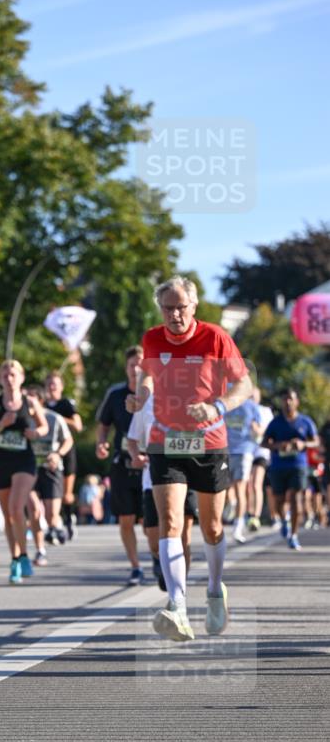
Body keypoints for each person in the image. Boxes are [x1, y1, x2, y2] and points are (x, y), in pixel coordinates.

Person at [128, 275, 253, 642]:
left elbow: (243, 385)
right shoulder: (152, 338)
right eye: (168, 308)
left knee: (212, 528)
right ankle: (177, 605)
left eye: (181, 307)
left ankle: (215, 589)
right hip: (165, 439)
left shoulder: (215, 337)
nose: (175, 315)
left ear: (193, 306)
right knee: (170, 522)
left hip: (209, 442)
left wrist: (217, 406)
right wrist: (140, 397)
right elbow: (147, 376)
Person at [0, 359, 48, 584]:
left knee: (16, 507)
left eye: (13, 374)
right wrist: (2, 424)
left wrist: (35, 433)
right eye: (5, 375)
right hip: (2, 461)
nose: (9, 379)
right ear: (0, 379)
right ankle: (16, 558)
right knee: (8, 516)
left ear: (21, 378)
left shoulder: (29, 401)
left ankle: (24, 556)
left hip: (24, 461)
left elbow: (44, 427)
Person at [126, 393, 197, 591]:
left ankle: (179, 591)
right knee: (155, 539)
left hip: (188, 475)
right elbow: (132, 439)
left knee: (184, 535)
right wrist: (136, 456)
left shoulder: (193, 397)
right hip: (154, 477)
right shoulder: (146, 401)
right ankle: (161, 559)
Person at [95, 345, 145, 585]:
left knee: (150, 522)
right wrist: (101, 443)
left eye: (140, 363)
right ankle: (135, 566)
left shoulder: (158, 393)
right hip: (122, 463)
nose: (136, 368)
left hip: (150, 463)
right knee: (126, 518)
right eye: (131, 364)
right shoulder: (115, 394)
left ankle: (158, 558)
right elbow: (103, 424)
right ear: (126, 368)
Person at [263, 387, 319, 550]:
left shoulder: (305, 421)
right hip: (278, 466)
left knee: (296, 500)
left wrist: (303, 444)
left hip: (298, 466)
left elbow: (315, 442)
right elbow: (264, 442)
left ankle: (293, 536)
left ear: (297, 402)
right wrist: (279, 445)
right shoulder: (275, 422)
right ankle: (284, 520)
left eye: (290, 399)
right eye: (284, 399)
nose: (287, 402)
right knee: (279, 500)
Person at [26, 385, 73, 565]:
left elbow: (68, 440)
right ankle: (40, 551)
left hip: (51, 469)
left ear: (41, 401)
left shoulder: (54, 418)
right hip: (29, 470)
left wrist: (58, 454)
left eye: (32, 399)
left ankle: (57, 526)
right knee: (35, 511)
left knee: (51, 515)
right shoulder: (22, 419)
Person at [44, 372, 83, 539]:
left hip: (66, 452)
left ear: (61, 387)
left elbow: (78, 426)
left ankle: (68, 521)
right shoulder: (41, 404)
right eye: (50, 384)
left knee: (66, 494)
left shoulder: (66, 404)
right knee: (49, 492)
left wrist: (59, 418)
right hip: (46, 453)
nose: (52, 387)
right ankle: (54, 525)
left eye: (55, 384)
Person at [225, 389, 264, 543]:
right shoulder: (226, 404)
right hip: (225, 451)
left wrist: (256, 430)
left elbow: (260, 431)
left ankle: (238, 526)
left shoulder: (252, 407)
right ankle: (232, 505)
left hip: (244, 451)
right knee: (226, 489)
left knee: (241, 488)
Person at [246, 387, 273, 530]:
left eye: (254, 395)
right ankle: (249, 514)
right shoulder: (243, 409)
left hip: (261, 451)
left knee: (256, 483)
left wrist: (256, 428)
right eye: (249, 395)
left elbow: (268, 431)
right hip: (245, 451)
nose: (251, 398)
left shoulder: (265, 411)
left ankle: (255, 517)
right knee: (248, 485)